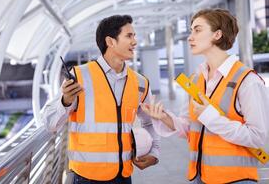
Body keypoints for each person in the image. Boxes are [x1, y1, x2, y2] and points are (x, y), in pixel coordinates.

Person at [141, 9, 269, 184]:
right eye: (191, 30)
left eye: (197, 30)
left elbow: (258, 137)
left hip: (236, 179)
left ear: (217, 34)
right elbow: (189, 128)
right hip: (201, 177)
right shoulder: (197, 79)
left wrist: (211, 117)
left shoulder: (248, 81)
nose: (190, 37)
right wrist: (164, 118)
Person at [42, 14, 160, 184]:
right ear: (110, 42)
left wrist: (154, 153)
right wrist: (65, 101)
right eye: (129, 36)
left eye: (134, 36)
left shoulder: (140, 83)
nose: (135, 41)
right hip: (86, 178)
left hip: (124, 176)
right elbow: (50, 123)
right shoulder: (79, 76)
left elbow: (151, 122)